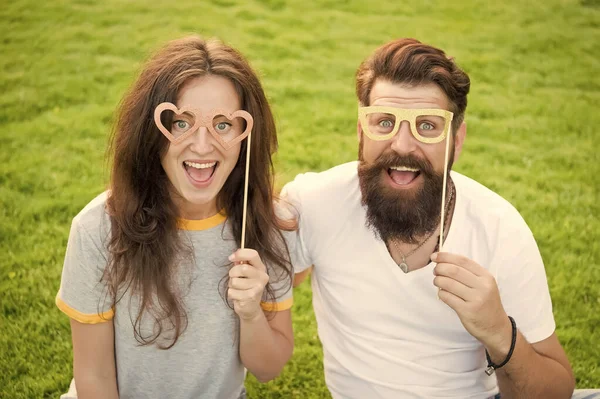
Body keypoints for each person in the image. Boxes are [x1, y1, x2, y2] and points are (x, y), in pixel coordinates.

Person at [284, 38, 593, 398]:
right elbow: (266, 278)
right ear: (360, 131)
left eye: (427, 126)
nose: (401, 144)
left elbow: (556, 389)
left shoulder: (499, 229)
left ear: (456, 141)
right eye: (383, 122)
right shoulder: (313, 204)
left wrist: (498, 331)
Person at [56, 35, 294, 399]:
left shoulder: (265, 223)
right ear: (151, 132)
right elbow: (95, 377)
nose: (202, 146)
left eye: (224, 125)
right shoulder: (98, 229)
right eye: (181, 123)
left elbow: (267, 368)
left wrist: (251, 314)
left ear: (247, 135)